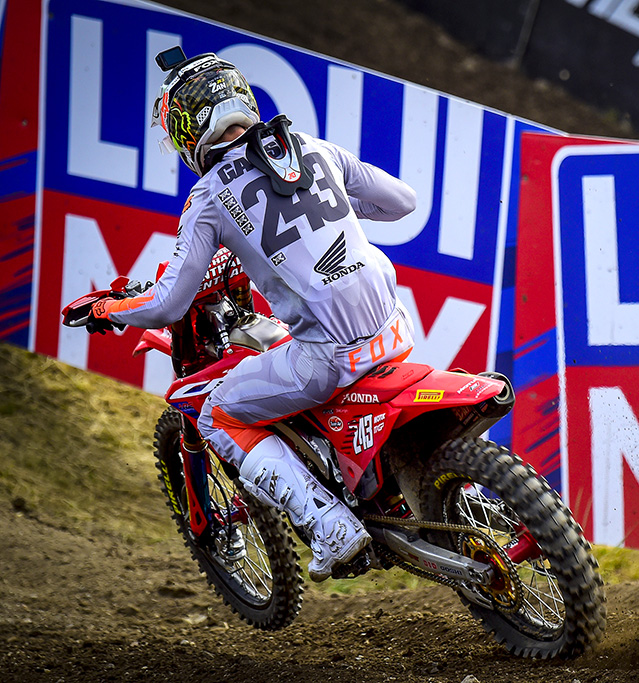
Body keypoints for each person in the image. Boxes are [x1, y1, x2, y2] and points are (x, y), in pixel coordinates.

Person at [86, 49, 417, 582]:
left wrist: (108, 306)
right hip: (394, 328)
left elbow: (168, 303)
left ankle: (332, 528)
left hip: (329, 356)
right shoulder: (311, 146)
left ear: (189, 131)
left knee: (219, 414)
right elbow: (402, 202)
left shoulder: (209, 195)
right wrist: (329, 207)